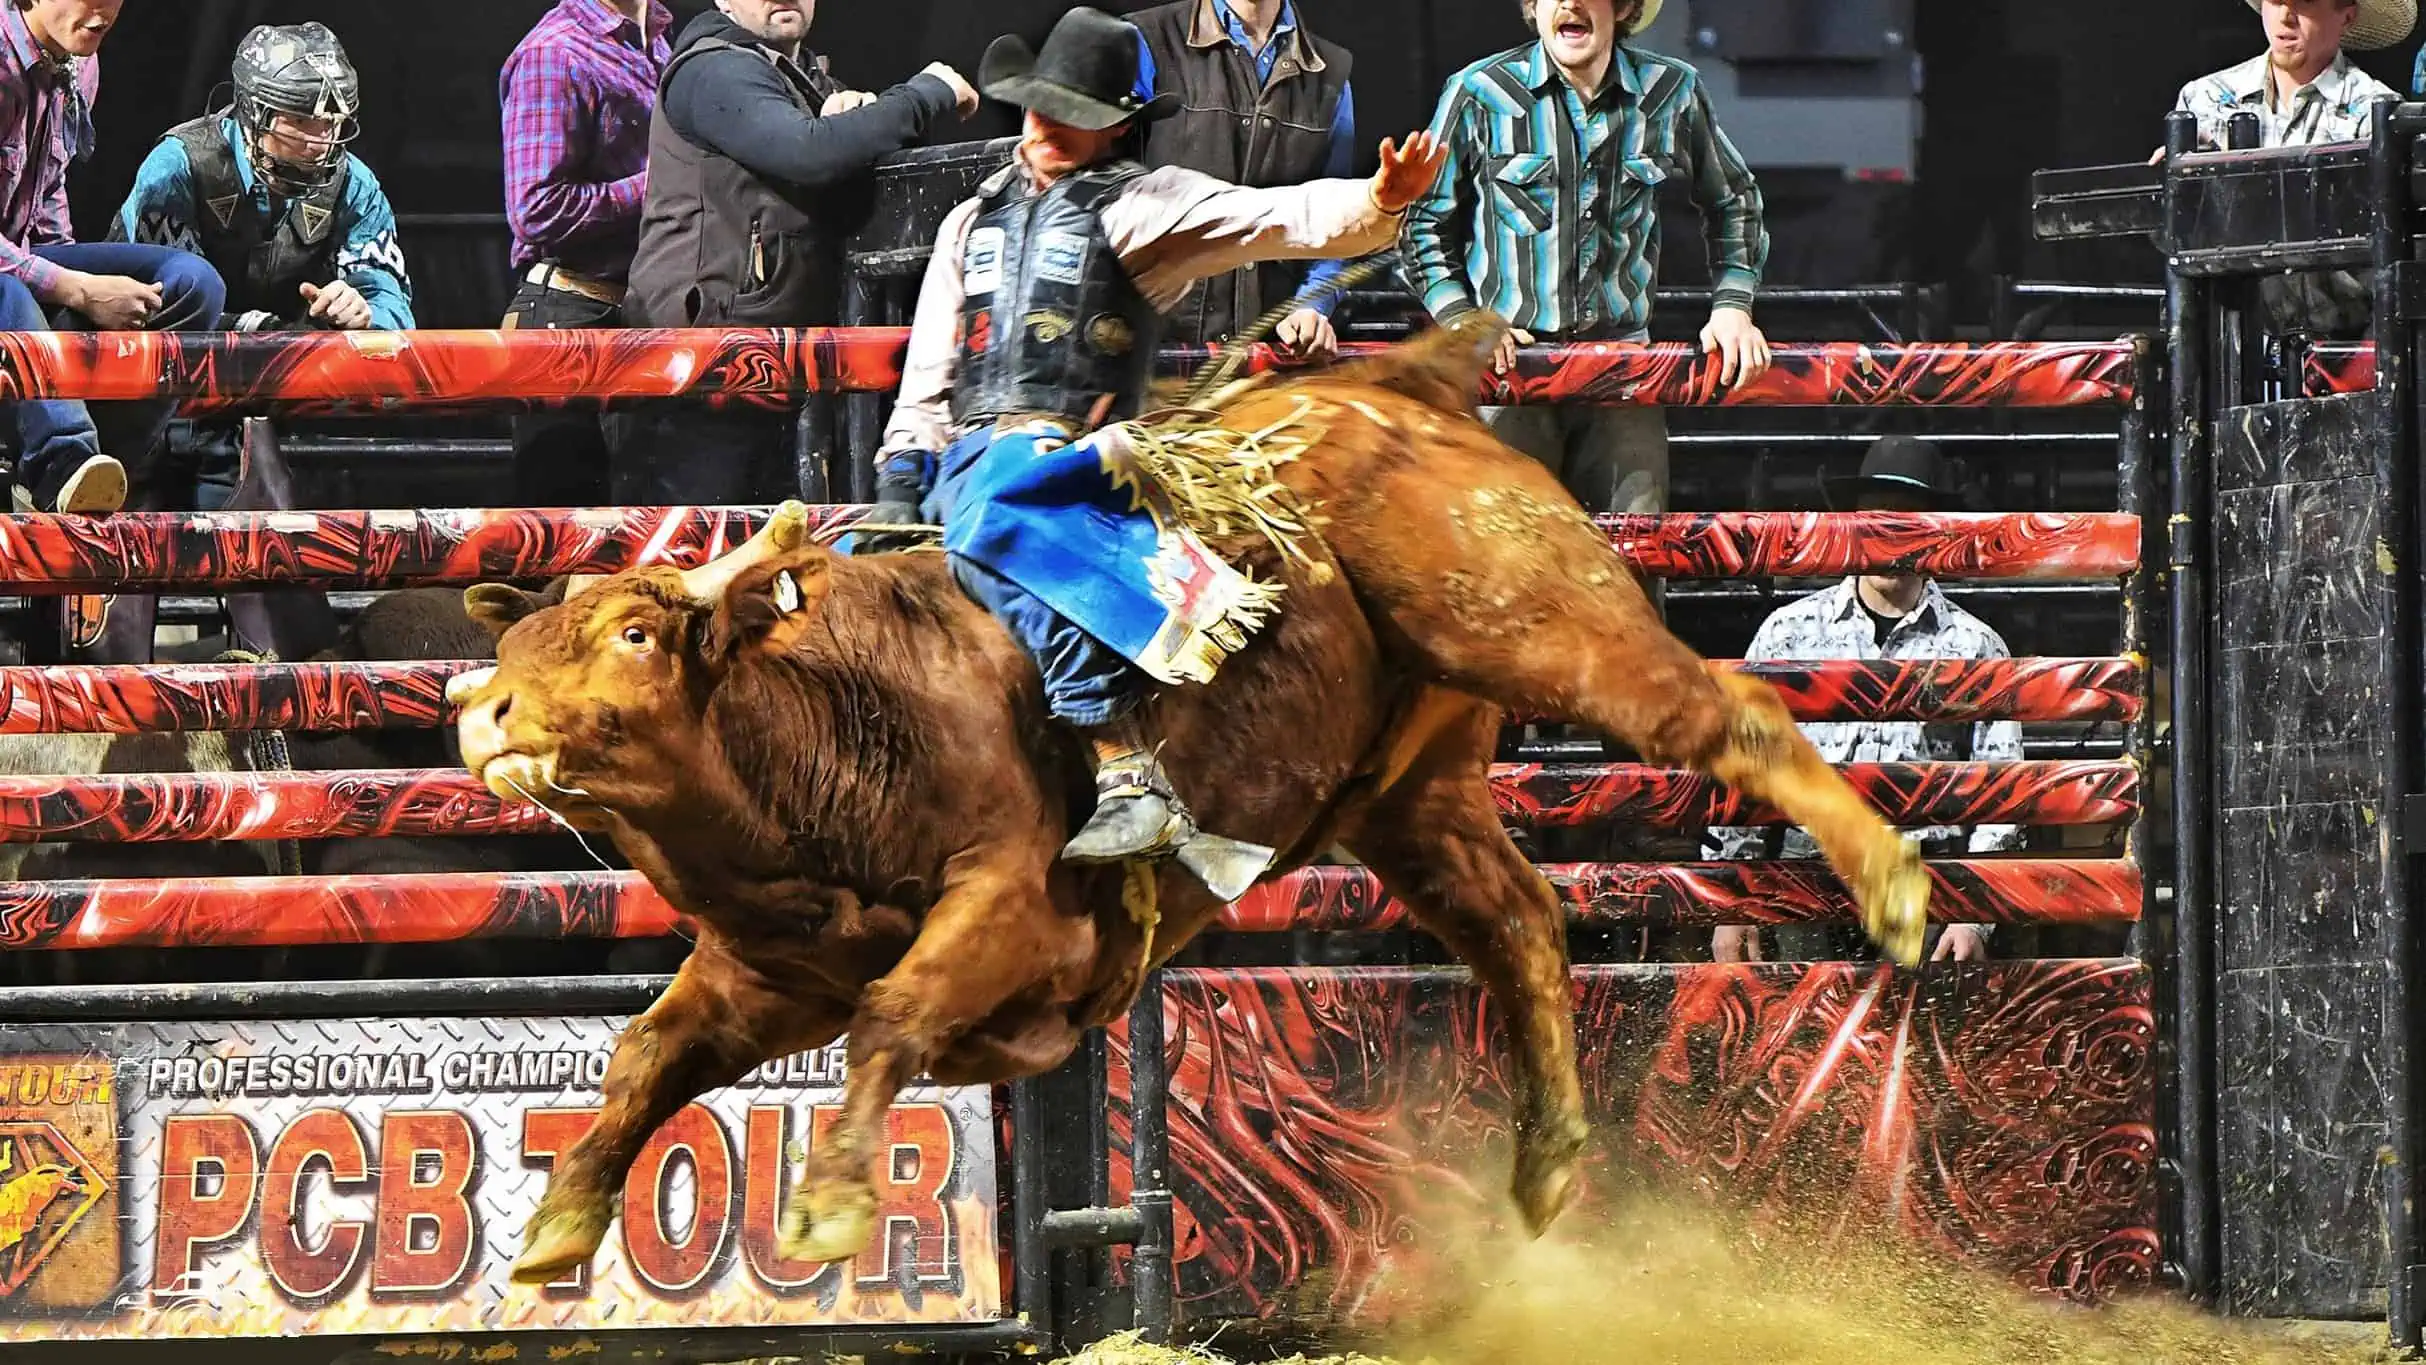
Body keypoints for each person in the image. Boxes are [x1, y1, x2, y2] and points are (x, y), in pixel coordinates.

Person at [860, 6, 1445, 871]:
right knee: (844, 578)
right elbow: (931, 368)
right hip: (966, 458)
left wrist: (1378, 200)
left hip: (1075, 461)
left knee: (995, 518)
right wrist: (900, 478)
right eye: (1043, 107)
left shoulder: (1145, 208)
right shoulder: (969, 222)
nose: (1050, 127)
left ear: (1117, 126)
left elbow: (1271, 216)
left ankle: (1126, 764)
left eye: (1077, 113)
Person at [1399, 0, 1771, 522]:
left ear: (1623, 7)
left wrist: (1732, 307)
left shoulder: (1671, 89)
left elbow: (1735, 201)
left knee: (1634, 553)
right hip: (1508, 374)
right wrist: (1461, 320)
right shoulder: (1480, 90)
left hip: (1624, 374)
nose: (1570, 2)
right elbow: (1421, 222)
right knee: (1508, 556)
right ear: (1533, 7)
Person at [617, 0, 979, 505]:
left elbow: (830, 159)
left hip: (766, 362)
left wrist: (856, 117)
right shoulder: (715, 68)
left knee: (772, 540)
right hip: (705, 367)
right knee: (697, 544)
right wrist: (927, 92)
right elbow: (809, 152)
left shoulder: (796, 76)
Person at [1705, 437, 2018, 966]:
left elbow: (2002, 787)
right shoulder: (1788, 633)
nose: (1890, 535)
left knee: (1917, 1020)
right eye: (1878, 516)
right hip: (1809, 868)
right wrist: (1735, 899)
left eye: (1907, 518)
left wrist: (1973, 915)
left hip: (1925, 873)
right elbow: (1745, 768)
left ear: (1934, 529)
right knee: (1808, 1020)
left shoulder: (1976, 645)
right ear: (1854, 523)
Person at [0, 0, 226, 517]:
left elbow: (47, 186)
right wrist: (75, 288)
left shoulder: (78, 63)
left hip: (22, 262)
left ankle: (102, 470)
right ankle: (61, 463)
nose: (104, 11)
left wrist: (69, 286)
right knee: (8, 290)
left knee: (192, 284)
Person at [499, 0, 675, 508]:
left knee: (640, 524)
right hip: (572, 312)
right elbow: (536, 210)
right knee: (568, 531)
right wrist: (663, 185)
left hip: (636, 311)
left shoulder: (657, 41)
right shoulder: (554, 53)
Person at [1128, 0, 1360, 362]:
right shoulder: (1147, 41)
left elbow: (1335, 222)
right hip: (1158, 353)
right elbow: (1107, 189)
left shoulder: (1330, 75)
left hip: (1268, 357)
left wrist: (1312, 306)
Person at [2163, 0, 2409, 339]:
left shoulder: (2374, 113)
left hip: (2338, 344)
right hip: (2224, 345)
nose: (2285, 17)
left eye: (2304, 3)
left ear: (2347, 15)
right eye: (2275, 0)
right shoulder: (2204, 100)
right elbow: (2176, 240)